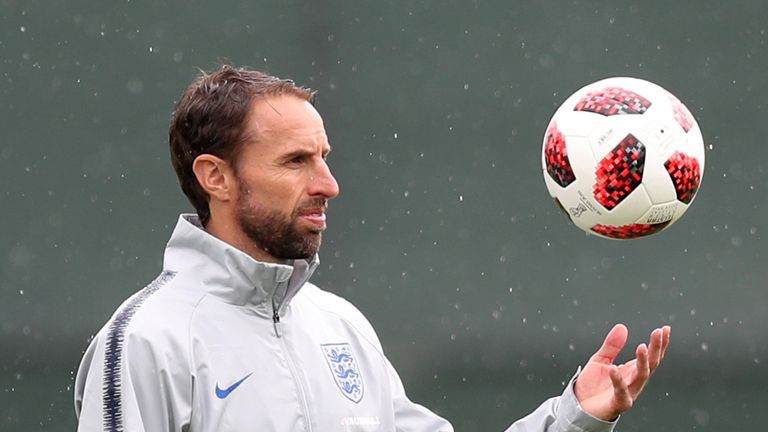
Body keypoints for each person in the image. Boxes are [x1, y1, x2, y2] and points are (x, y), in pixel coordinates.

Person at [74, 65, 671, 431]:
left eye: (324, 158)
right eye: (296, 161)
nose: (328, 184)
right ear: (216, 178)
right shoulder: (147, 342)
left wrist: (575, 416)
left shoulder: (342, 327)